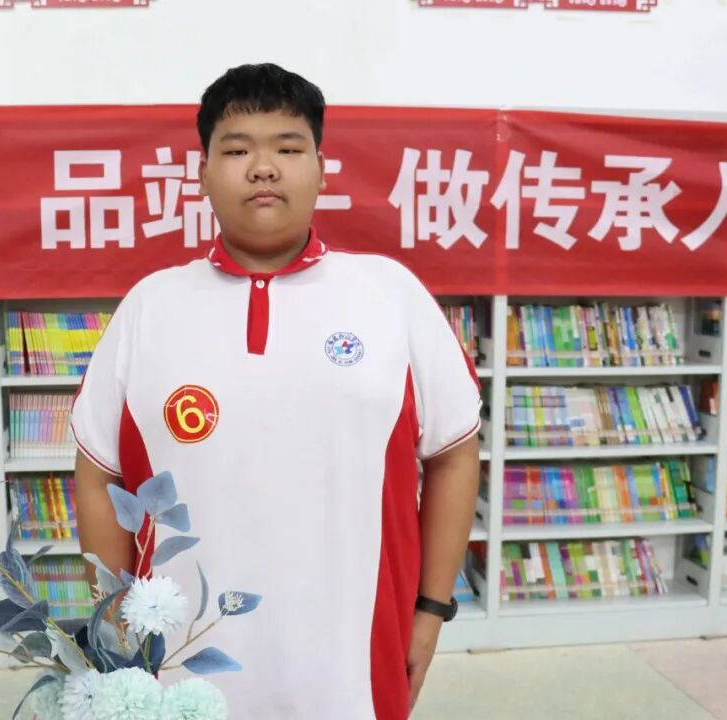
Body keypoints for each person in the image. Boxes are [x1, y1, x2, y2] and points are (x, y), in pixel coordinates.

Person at [71, 62, 482, 720]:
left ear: (322, 170)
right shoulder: (151, 306)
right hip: (178, 663)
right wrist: (113, 621)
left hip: (353, 658)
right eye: (237, 151)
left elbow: (454, 453)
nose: (263, 169)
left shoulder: (389, 295)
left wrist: (432, 608)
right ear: (203, 173)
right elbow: (99, 475)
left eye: (288, 149)